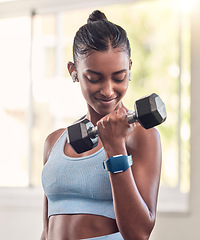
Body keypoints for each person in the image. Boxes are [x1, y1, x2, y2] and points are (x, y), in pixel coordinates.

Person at [40, 10, 162, 240]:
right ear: (74, 72)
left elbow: (138, 234)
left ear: (130, 70)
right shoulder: (54, 142)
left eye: (119, 77)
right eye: (94, 78)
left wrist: (115, 146)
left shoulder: (141, 136)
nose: (107, 90)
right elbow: (46, 231)